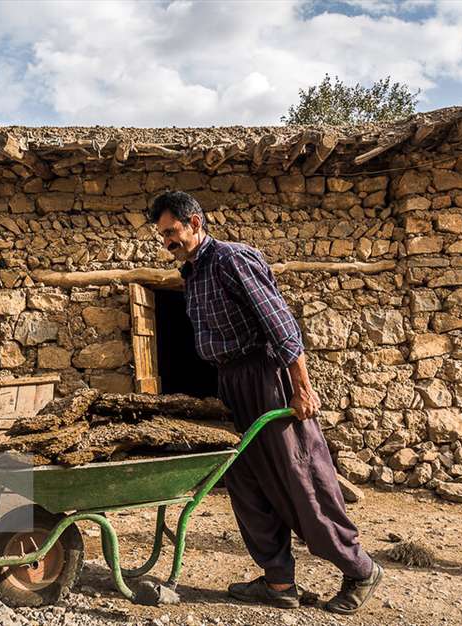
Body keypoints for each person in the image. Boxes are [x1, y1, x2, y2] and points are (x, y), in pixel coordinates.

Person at [148, 190, 382, 614]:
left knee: (301, 475)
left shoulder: (231, 260)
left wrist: (302, 387)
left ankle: (360, 568)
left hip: (266, 376)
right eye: (162, 235)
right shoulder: (193, 273)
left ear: (196, 222)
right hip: (231, 382)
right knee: (245, 481)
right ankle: (278, 582)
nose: (167, 241)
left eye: (172, 231)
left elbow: (282, 326)